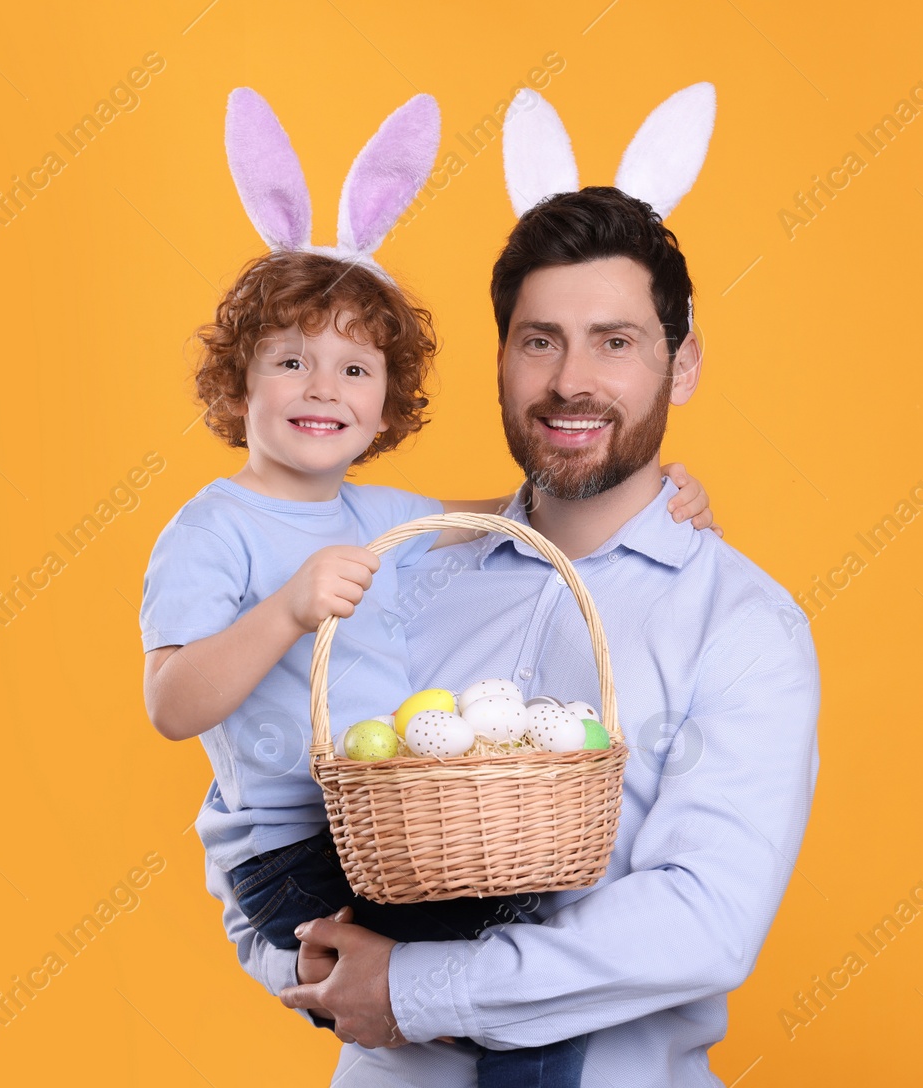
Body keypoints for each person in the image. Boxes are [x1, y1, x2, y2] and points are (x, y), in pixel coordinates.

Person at [208, 185, 822, 1087]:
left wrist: (416, 988)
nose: (572, 381)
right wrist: (312, 965)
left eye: (615, 342)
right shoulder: (395, 575)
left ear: (681, 365)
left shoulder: (741, 624)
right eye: (541, 341)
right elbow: (258, 814)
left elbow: (704, 922)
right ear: (503, 360)